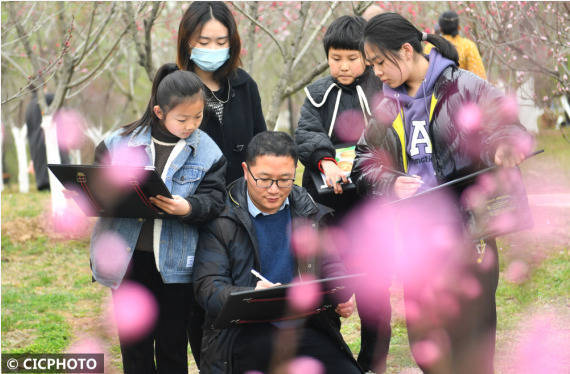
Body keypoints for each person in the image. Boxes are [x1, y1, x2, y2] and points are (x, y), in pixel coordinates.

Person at [353, 12, 531, 374]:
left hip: (469, 234)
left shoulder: (463, 85)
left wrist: (502, 145)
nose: (376, 73)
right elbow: (364, 158)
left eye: (378, 62)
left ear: (405, 50)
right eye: (370, 65)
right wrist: (390, 182)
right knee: (426, 347)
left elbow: (507, 124)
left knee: (472, 348)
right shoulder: (385, 107)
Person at [89, 63, 226, 373]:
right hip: (128, 261)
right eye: (183, 118)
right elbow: (97, 185)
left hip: (177, 265)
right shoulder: (117, 144)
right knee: (134, 346)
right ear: (160, 112)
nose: (192, 125)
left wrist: (188, 208)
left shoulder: (208, 153)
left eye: (198, 117)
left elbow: (215, 200)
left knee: (172, 346)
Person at [193, 131, 362, 374]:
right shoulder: (222, 217)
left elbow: (331, 265)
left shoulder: (308, 211)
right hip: (245, 331)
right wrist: (250, 295)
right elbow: (208, 287)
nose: (274, 189)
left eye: (284, 179)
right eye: (264, 179)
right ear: (245, 170)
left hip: (306, 325)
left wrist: (339, 295)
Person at [294, 15, 388, 373]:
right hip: (326, 206)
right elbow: (307, 133)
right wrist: (326, 161)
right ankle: (331, 360)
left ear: (366, 56)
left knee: (374, 293)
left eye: (352, 58)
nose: (344, 66)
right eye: (336, 58)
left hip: (370, 208)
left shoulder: (381, 91)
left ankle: (371, 363)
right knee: (326, 286)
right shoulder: (317, 94)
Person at [177, 1, 267, 185]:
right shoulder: (173, 87)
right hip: (191, 200)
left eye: (221, 42)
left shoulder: (245, 85)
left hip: (240, 198)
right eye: (203, 42)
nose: (213, 49)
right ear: (187, 42)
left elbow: (261, 143)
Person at [25, 91, 70, 190]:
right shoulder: (47, 98)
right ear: (43, 87)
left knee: (43, 173)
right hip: (50, 140)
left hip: (35, 145)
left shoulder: (28, 107)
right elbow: (60, 98)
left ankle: (44, 185)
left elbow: (28, 131)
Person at [424, 10, 486, 80]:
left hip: (436, 90)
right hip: (463, 89)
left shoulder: (430, 47)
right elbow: (479, 77)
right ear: (458, 27)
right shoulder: (468, 46)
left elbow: (424, 77)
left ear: (440, 28)